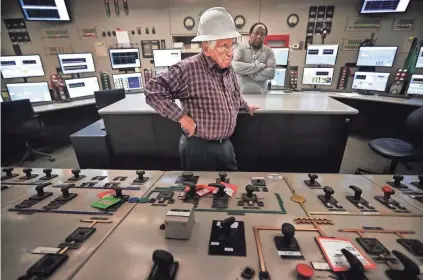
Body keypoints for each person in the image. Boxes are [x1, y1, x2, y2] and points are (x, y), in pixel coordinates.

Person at [144, 7, 259, 171]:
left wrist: (246, 106)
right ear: (206, 48)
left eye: (231, 45)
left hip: (225, 145)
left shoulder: (228, 68)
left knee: (229, 189)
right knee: (199, 193)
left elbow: (233, 94)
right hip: (198, 148)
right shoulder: (187, 69)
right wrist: (181, 117)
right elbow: (152, 89)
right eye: (223, 46)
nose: (230, 53)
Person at [232, 23, 276, 94]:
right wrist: (258, 66)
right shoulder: (240, 48)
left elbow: (271, 73)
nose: (259, 36)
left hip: (261, 96)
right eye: (256, 33)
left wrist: (249, 73)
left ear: (265, 36)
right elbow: (234, 67)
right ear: (250, 34)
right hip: (240, 96)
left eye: (262, 34)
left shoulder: (268, 51)